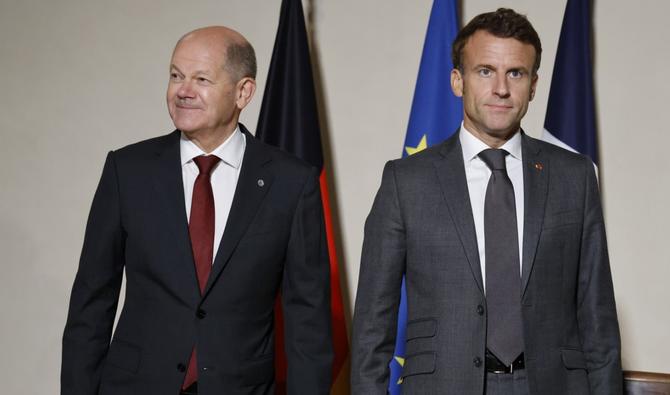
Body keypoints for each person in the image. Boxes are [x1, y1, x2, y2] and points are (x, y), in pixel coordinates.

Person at [351, 8, 621, 395]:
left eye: (516, 73)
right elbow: (371, 327)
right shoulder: (406, 181)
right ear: (457, 81)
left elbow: (599, 319)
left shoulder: (574, 177)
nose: (501, 88)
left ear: (533, 85)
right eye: (484, 71)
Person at [61, 26, 333, 395]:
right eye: (176, 76)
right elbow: (91, 304)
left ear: (243, 92)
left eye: (201, 78)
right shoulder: (128, 170)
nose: (183, 91)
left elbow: (308, 321)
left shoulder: (291, 182)